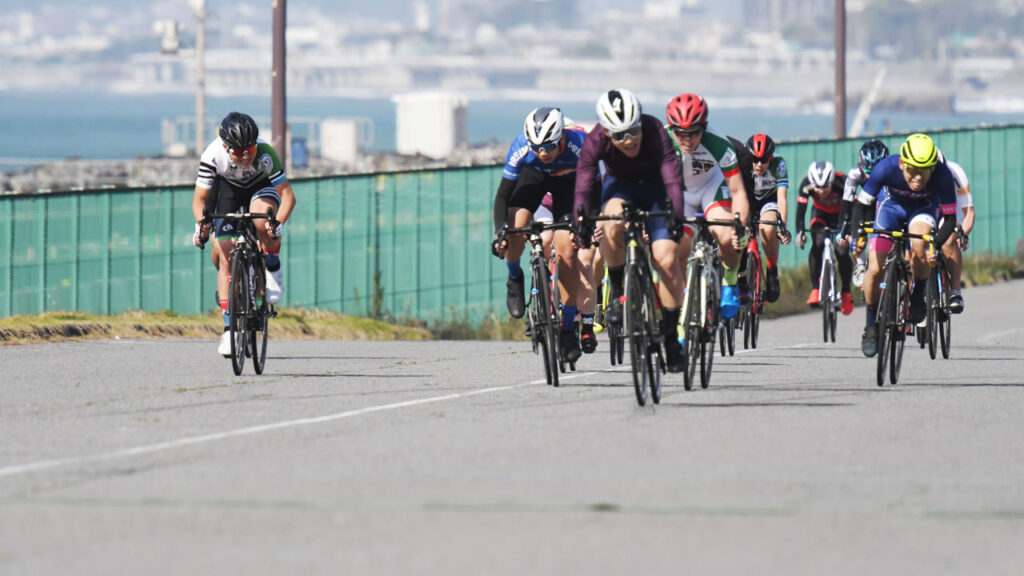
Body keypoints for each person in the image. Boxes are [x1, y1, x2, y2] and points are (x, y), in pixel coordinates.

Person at [574, 88, 688, 372]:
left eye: (634, 131)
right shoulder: (595, 141)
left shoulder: (655, 130)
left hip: (656, 190)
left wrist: (676, 214)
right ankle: (617, 291)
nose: (629, 140)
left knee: (667, 263)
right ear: (606, 133)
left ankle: (672, 339)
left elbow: (673, 178)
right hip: (620, 188)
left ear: (640, 123)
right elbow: (584, 186)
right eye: (620, 135)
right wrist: (582, 225)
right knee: (610, 224)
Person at [492, 107, 594, 362]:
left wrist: (587, 223)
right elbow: (503, 195)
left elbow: (595, 187)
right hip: (533, 180)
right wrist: (499, 233)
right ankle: (514, 277)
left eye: (549, 146)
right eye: (537, 147)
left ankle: (568, 327)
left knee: (567, 253)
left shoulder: (579, 144)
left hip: (567, 185)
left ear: (561, 138)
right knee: (515, 228)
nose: (543, 153)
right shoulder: (522, 148)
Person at [192, 111, 296, 357]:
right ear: (226, 147)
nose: (246, 156)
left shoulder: (265, 155)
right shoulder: (212, 155)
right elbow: (200, 199)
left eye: (249, 149)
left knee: (262, 220)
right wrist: (201, 224)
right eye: (238, 152)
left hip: (260, 188)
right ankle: (229, 330)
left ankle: (272, 265)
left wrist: (278, 222)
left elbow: (288, 196)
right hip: (228, 190)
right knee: (226, 256)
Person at [851, 133, 958, 357]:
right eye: (913, 171)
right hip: (890, 208)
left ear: (934, 167)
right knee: (874, 268)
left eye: (925, 171)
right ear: (902, 164)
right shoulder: (885, 168)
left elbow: (949, 220)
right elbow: (862, 205)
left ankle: (918, 294)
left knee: (920, 245)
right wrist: (858, 232)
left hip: (924, 209)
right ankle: (872, 325)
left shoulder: (943, 175)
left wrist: (936, 245)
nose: (918, 178)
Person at [664, 93, 749, 322]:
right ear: (672, 129)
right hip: (680, 192)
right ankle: (680, 309)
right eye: (680, 133)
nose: (687, 140)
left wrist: (739, 225)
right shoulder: (662, 140)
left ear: (704, 127)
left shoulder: (718, 142)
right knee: (677, 248)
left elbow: (738, 191)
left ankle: (729, 280)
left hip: (710, 187)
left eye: (694, 133)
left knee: (725, 234)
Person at [735, 133, 791, 303]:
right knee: (740, 230)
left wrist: (782, 226)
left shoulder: (779, 164)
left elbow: (782, 197)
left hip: (768, 200)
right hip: (748, 199)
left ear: (771, 158)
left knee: (768, 228)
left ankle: (772, 269)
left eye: (764, 160)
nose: (759, 165)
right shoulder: (742, 161)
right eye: (755, 160)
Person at [795, 160, 854, 315]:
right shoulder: (806, 184)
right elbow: (800, 213)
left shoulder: (843, 182)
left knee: (842, 252)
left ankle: (846, 292)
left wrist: (850, 232)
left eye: (825, 187)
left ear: (832, 181)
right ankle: (815, 289)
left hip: (842, 217)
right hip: (820, 215)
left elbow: (854, 209)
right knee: (818, 243)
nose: (821, 191)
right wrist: (800, 232)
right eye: (817, 187)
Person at [843, 139, 889, 287]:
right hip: (866, 206)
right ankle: (860, 263)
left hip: (885, 204)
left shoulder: (892, 172)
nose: (872, 176)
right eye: (869, 171)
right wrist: (845, 228)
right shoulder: (855, 173)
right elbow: (847, 202)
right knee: (858, 207)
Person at [938, 154, 974, 313]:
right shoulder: (918, 174)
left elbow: (969, 212)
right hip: (928, 209)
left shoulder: (955, 172)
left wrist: (963, 234)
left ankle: (955, 292)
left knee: (948, 243)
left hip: (951, 213)